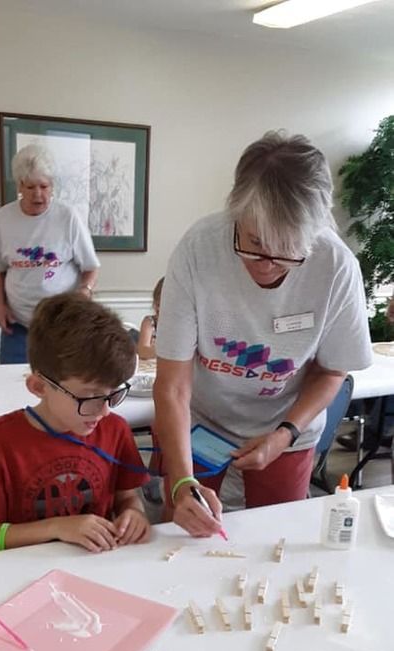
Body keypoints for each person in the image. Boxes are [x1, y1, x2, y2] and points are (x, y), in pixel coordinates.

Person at [154, 130, 372, 538]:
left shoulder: (336, 266)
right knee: (183, 533)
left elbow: (331, 372)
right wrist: (182, 482)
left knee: (277, 539)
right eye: (253, 242)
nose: (266, 263)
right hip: (202, 423)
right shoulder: (199, 249)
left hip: (287, 426)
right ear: (235, 210)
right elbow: (172, 387)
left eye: (286, 249)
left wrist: (285, 434)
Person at [0, 294, 151, 553]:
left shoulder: (115, 429)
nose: (104, 411)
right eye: (89, 397)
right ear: (39, 387)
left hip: (94, 565)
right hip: (21, 569)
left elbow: (127, 498)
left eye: (112, 394)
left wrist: (134, 514)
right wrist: (57, 527)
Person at [0, 143, 100, 364]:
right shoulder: (3, 219)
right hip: (18, 325)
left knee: (63, 380)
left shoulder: (68, 217)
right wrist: (0, 306)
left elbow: (91, 268)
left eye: (44, 186)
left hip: (63, 324)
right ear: (19, 185)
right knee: (10, 379)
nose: (38, 195)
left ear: (52, 186)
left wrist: (85, 291)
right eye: (30, 187)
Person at [137, 277, 163, 360]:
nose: (159, 309)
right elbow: (142, 351)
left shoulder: (179, 326)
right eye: (157, 304)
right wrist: (167, 351)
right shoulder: (149, 322)